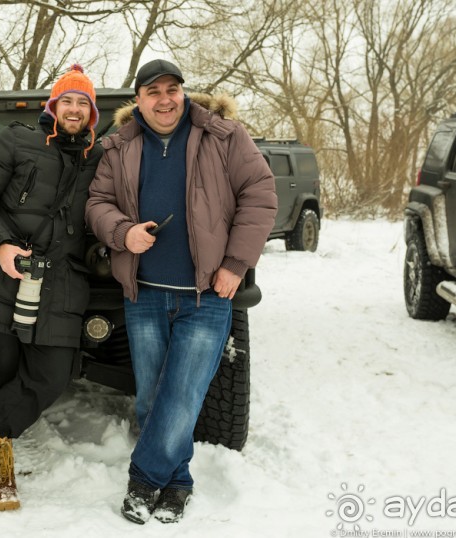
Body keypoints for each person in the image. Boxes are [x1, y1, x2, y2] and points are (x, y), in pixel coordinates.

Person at [85, 59, 277, 524]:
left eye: (172, 89)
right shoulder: (119, 146)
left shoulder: (224, 136)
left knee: (185, 392)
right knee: (154, 397)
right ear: (139, 99)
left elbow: (261, 193)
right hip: (144, 293)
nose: (165, 99)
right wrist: (123, 233)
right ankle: (179, 482)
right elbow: (97, 203)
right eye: (154, 92)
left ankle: (144, 479)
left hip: (206, 294)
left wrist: (235, 263)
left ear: (183, 92)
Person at [0, 64, 102, 510]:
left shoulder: (99, 158)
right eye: (66, 100)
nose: (73, 109)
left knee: (53, 373)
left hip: (61, 284)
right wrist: (1, 246)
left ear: (92, 113)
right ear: (52, 106)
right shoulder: (15, 140)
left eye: (82, 102)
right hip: (3, 276)